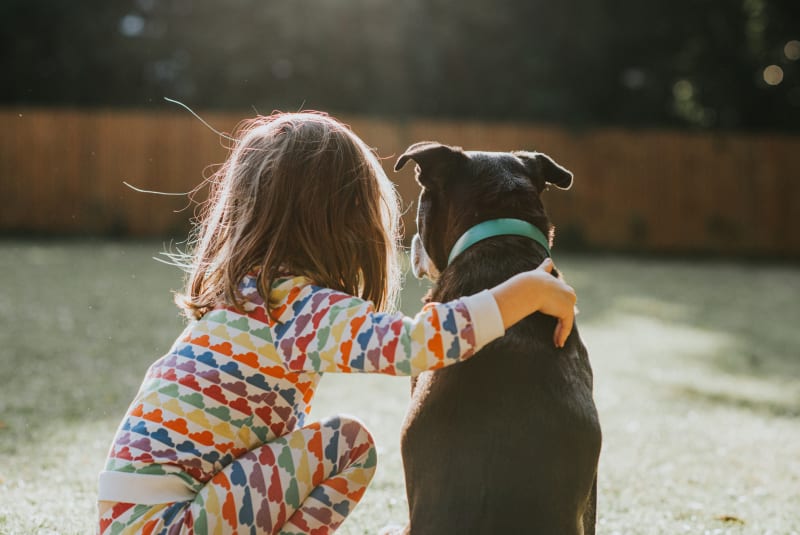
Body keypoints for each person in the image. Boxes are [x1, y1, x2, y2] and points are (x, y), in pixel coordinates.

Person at [97, 111, 577, 535]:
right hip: (173, 521)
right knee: (348, 446)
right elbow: (415, 345)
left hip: (134, 515)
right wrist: (525, 291)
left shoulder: (247, 298)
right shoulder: (301, 308)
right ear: (345, 222)